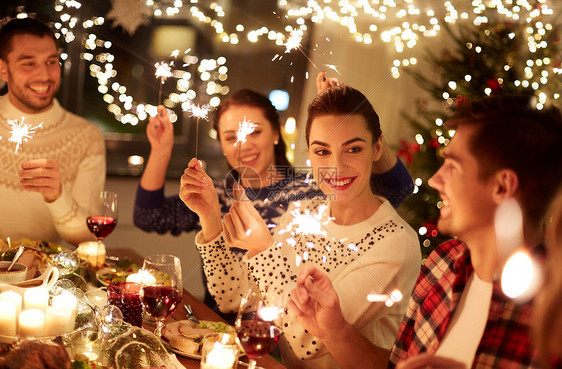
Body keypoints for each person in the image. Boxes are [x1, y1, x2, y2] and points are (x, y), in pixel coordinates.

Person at [288, 94, 562, 369]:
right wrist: (335, 330)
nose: (435, 179)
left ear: (501, 187)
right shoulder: (441, 265)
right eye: (322, 151)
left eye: (453, 166)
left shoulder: (550, 314)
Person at [183, 85, 421, 368]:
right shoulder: (304, 211)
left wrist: (263, 249)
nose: (337, 166)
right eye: (322, 151)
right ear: (309, 154)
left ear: (377, 147)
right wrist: (210, 217)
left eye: (353, 148)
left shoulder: (394, 242)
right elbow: (233, 298)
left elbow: (310, 340)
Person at [0, 17, 105, 245]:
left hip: (42, 275)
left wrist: (57, 196)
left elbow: (86, 237)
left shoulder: (85, 136)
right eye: (29, 63)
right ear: (3, 70)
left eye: (51, 62)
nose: (45, 75)